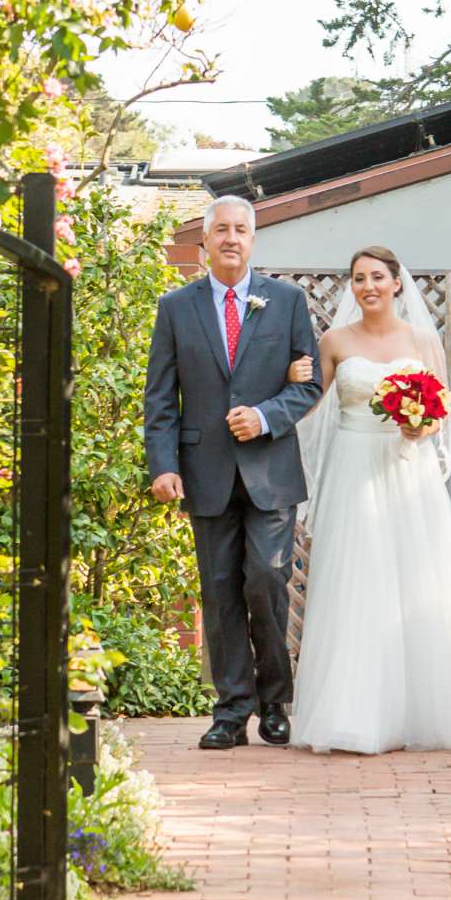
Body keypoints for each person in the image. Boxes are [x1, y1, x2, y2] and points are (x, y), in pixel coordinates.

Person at [290, 245, 451, 756]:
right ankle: (353, 711)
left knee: (417, 580)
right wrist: (289, 381)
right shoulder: (335, 340)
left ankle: (424, 710)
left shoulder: (421, 339)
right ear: (352, 287)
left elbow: (440, 411)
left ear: (394, 283)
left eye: (377, 277)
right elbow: (308, 403)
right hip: (351, 465)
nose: (368, 286)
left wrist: (420, 425)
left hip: (408, 471)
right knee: (355, 580)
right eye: (359, 278)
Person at [143, 197, 322, 749]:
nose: (231, 238)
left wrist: (265, 416)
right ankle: (231, 710)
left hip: (270, 472)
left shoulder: (288, 300)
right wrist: (163, 465)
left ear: (253, 239)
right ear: (205, 240)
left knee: (266, 581)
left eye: (241, 230)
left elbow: (309, 384)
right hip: (205, 471)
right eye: (221, 229)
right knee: (219, 591)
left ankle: (274, 703)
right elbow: (160, 398)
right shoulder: (176, 307)